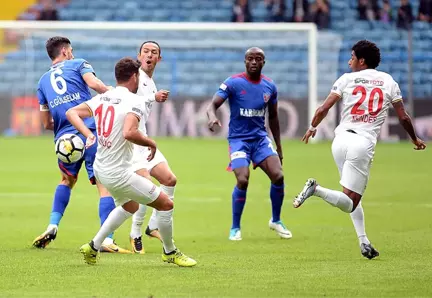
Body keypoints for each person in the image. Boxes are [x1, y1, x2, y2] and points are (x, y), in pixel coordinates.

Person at [293, 40, 427, 259]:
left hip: (340, 142)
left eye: (352, 57)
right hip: (362, 144)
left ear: (361, 61)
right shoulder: (388, 81)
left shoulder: (345, 79)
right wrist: (414, 138)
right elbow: (403, 117)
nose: (349, 61)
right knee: (349, 202)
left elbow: (323, 108)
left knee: (350, 196)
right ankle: (315, 189)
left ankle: (364, 241)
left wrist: (312, 127)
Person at [66, 57, 196, 267]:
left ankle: (93, 246)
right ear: (134, 76)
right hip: (119, 173)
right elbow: (129, 132)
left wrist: (88, 135)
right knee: (166, 204)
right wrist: (150, 142)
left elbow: (71, 112)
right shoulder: (133, 101)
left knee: (130, 206)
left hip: (101, 168)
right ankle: (170, 252)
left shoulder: (104, 97)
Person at [33, 36, 129, 253]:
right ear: (65, 51)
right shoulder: (79, 64)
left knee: (66, 180)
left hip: (64, 142)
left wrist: (63, 128)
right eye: (71, 50)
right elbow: (95, 85)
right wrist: (113, 93)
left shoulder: (42, 81)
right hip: (90, 132)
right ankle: (107, 239)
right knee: (104, 185)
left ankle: (52, 225)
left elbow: (46, 123)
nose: (73, 54)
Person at [206, 47, 292, 241]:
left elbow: (274, 117)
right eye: (250, 59)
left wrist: (279, 147)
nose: (254, 62)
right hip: (238, 141)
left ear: (264, 62)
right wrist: (212, 117)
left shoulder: (270, 86)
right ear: (245, 61)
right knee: (243, 179)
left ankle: (276, 220)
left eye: (258, 59)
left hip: (261, 139)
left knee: (278, 176)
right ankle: (235, 227)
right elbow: (212, 105)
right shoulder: (233, 83)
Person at [129, 41, 174, 254]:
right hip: (131, 141)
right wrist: (152, 98)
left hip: (144, 140)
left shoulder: (150, 81)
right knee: (147, 186)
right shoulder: (134, 77)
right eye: (145, 51)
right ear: (139, 56)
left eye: (154, 52)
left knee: (169, 180)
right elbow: (128, 101)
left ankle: (153, 225)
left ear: (159, 58)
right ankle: (135, 233)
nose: (149, 55)